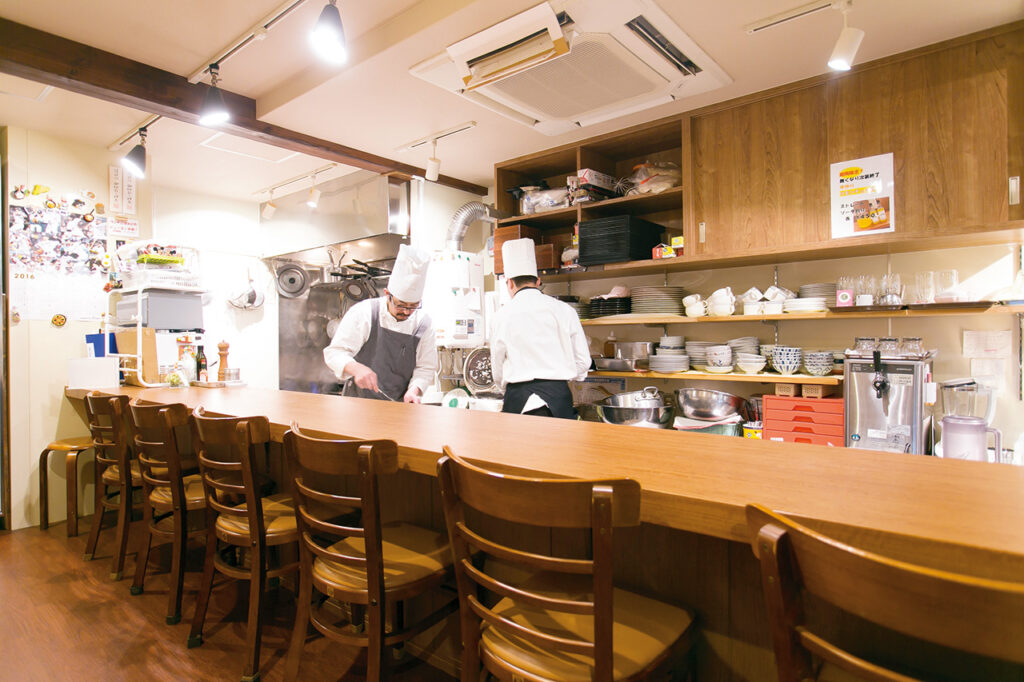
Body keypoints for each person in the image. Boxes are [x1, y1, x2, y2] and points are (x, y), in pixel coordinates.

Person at [490, 238, 590, 418]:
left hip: (517, 399)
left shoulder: (500, 316)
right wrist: (561, 375)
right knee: (560, 447)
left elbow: (497, 369)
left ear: (509, 284)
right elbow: (583, 361)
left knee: (518, 446)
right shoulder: (565, 310)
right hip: (559, 398)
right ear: (538, 281)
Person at [324, 244, 436, 403]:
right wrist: (356, 368)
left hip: (397, 406)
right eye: (401, 305)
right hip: (357, 404)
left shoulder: (423, 324)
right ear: (387, 294)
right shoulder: (365, 313)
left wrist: (414, 390)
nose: (406, 311)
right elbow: (334, 353)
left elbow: (425, 367)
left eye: (413, 306)